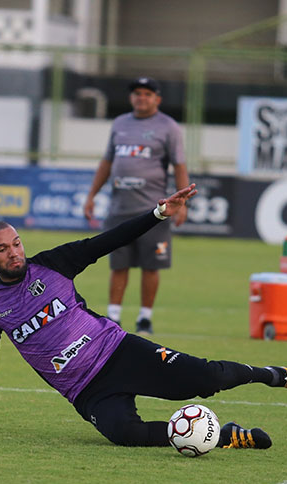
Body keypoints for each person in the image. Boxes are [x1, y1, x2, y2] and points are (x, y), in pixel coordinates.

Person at [0, 184, 287, 450]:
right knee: (124, 434)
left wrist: (158, 213)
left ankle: (272, 375)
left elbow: (109, 241)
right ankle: (224, 436)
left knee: (206, 379)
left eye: (17, 243)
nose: (14, 253)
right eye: (3, 250)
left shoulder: (53, 264)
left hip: (119, 350)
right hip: (85, 389)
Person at [83, 77, 190, 334]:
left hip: (154, 211)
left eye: (147, 93)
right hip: (119, 209)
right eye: (137, 93)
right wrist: (91, 195)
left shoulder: (168, 127)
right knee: (118, 265)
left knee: (151, 266)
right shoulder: (120, 124)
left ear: (157, 99)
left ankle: (145, 318)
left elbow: (179, 165)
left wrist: (182, 202)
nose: (141, 97)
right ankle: (114, 317)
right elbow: (107, 162)